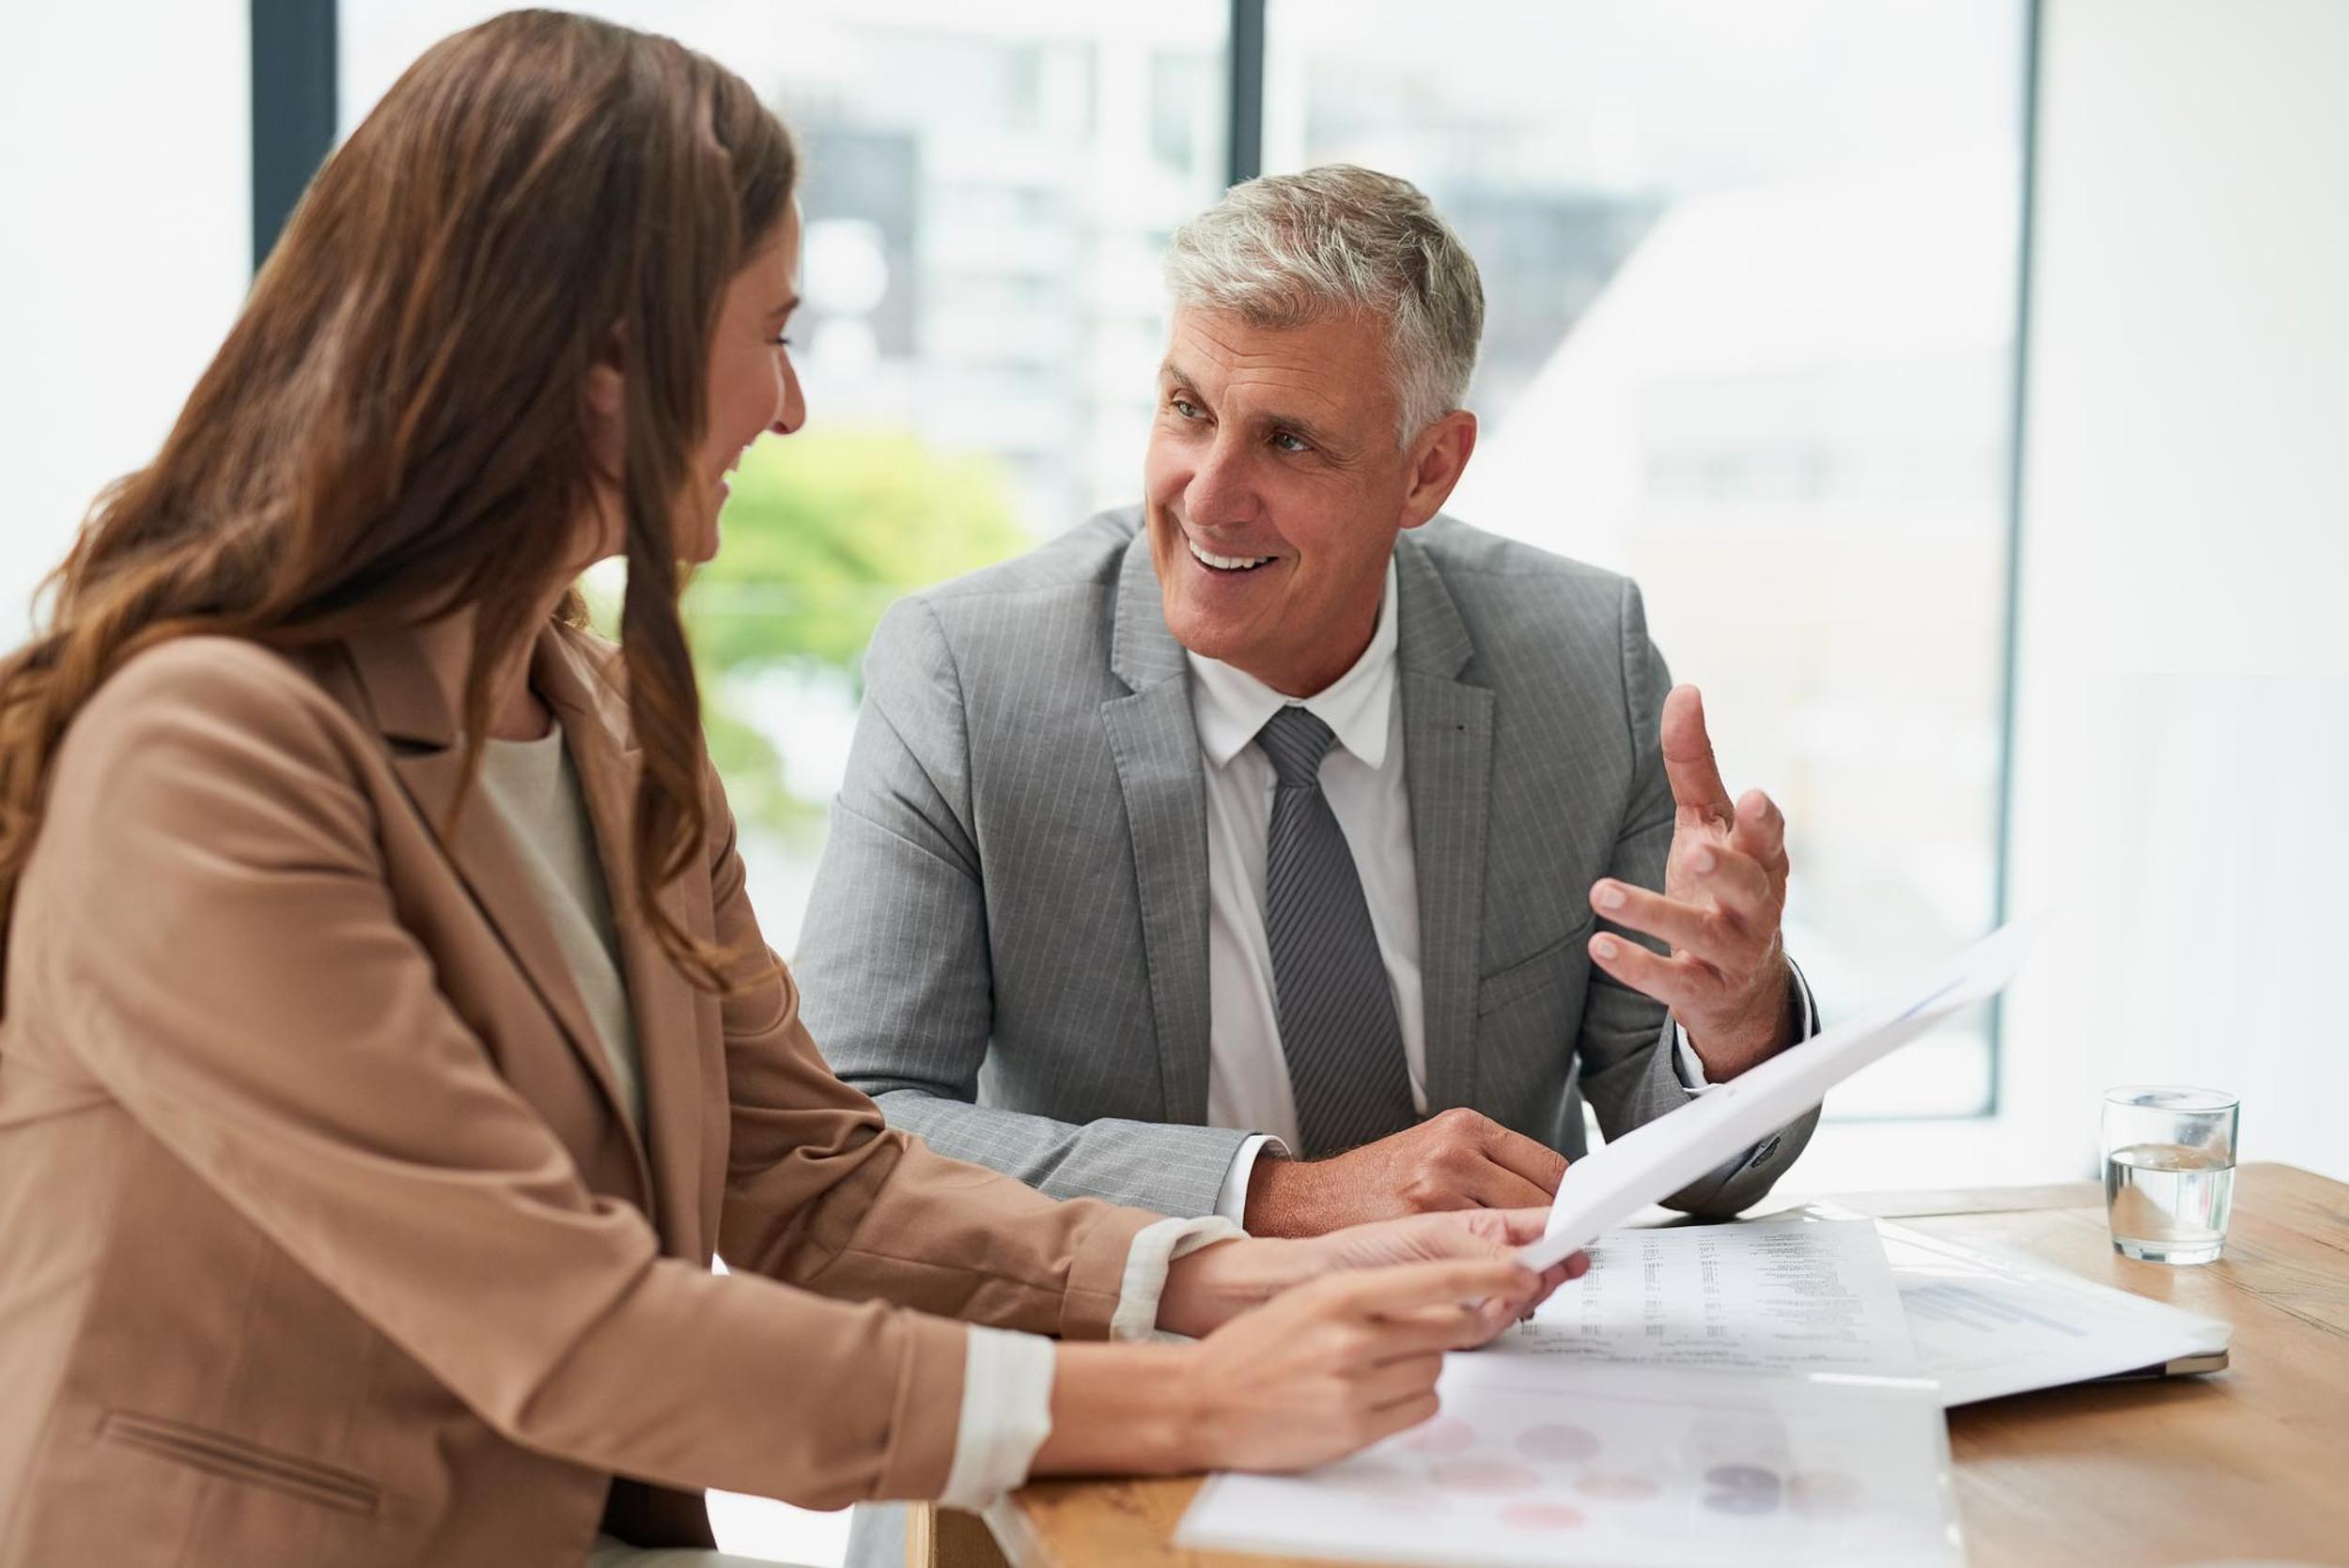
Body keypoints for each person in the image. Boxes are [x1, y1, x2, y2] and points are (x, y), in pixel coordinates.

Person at [0, 22, 1582, 1568]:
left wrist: (1230, 1271)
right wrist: (1194, 1395)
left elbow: (813, 1174)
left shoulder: (603, 721)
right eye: (771, 330)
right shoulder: (201, 753)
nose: (790, 404)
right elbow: (567, 1324)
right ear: (599, 359)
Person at [801, 164, 1823, 1245]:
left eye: (1286, 441)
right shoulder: (967, 676)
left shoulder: (1581, 660)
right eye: (1188, 410)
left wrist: (1735, 1025)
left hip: (1500, 1361)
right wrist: (1272, 1198)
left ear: (1427, 470)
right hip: (1149, 1366)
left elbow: (1691, 1163)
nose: (1205, 495)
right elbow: (850, 1128)